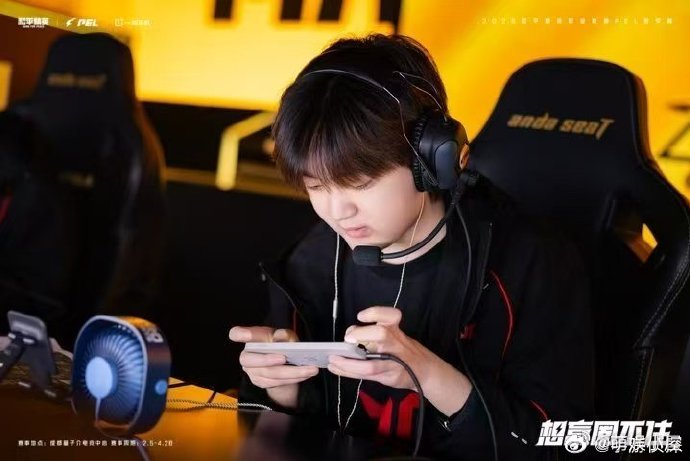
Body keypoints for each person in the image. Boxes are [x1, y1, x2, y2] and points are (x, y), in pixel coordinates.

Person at [229, 33, 594, 460]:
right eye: (317, 186)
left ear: (431, 159)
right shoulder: (312, 261)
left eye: (360, 184)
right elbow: (292, 436)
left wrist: (427, 373)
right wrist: (282, 391)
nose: (337, 211)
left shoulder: (530, 265)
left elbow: (564, 446)